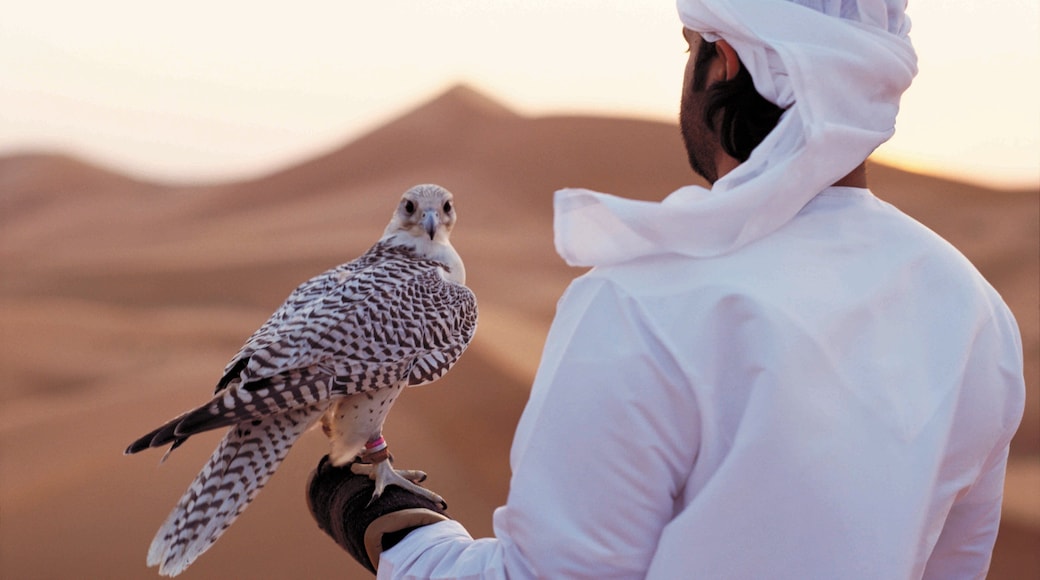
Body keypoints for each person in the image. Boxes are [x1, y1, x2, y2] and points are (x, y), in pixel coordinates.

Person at [306, 0, 1026, 578]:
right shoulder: (968, 308)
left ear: (726, 59)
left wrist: (398, 538)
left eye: (691, 44)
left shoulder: (646, 301)